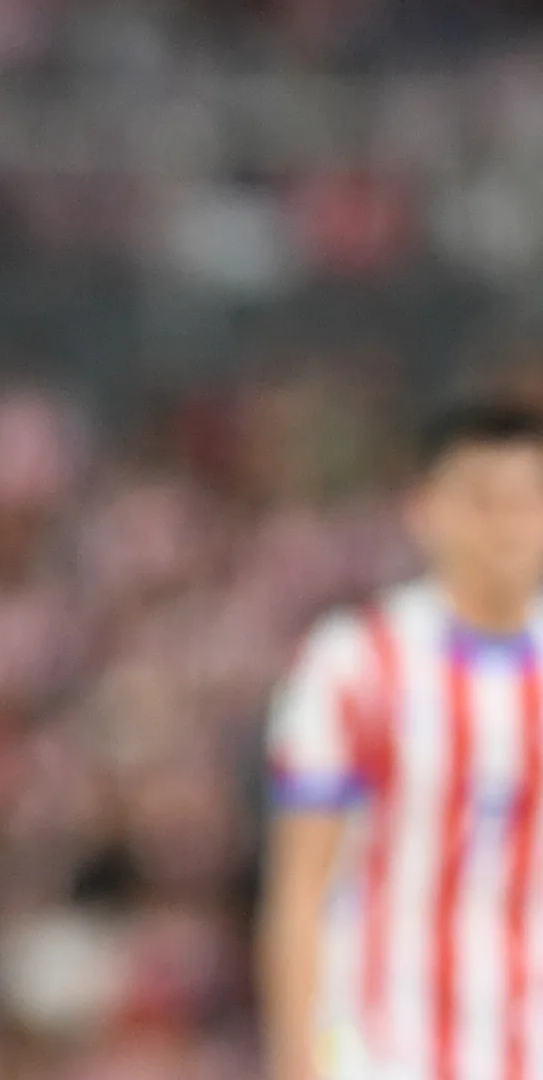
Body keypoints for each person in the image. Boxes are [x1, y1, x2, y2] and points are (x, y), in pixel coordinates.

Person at [262, 401, 543, 1080]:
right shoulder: (354, 662)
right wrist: (296, 1059)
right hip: (382, 1046)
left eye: (525, 499)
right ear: (425, 508)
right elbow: (301, 883)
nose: (506, 523)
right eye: (480, 499)